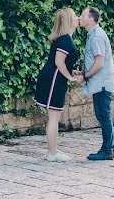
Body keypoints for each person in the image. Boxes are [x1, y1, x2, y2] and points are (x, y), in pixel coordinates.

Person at [33, 8, 80, 162]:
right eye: (74, 16)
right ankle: (52, 153)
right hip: (54, 79)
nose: (77, 18)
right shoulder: (65, 39)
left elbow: (63, 62)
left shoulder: (64, 38)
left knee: (54, 116)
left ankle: (53, 150)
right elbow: (59, 63)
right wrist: (70, 77)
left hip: (55, 78)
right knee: (54, 116)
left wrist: (71, 73)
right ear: (68, 21)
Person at [74, 6, 114, 160]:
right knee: (102, 115)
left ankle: (108, 150)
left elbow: (99, 63)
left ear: (91, 19)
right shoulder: (93, 35)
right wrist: (83, 72)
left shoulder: (97, 36)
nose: (80, 17)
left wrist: (85, 76)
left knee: (104, 115)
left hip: (102, 83)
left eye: (83, 15)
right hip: (99, 83)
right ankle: (109, 148)